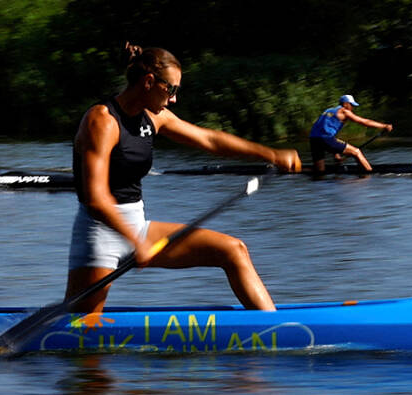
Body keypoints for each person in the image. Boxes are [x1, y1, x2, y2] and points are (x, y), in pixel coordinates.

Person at [65, 43, 301, 314]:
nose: (174, 99)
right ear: (149, 82)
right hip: (100, 233)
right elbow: (96, 199)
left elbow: (210, 140)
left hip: (137, 225)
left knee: (233, 250)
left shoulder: (154, 117)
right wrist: (136, 242)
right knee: (83, 326)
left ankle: (273, 327)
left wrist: (272, 154)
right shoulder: (102, 121)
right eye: (171, 89)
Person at [309, 94, 392, 173]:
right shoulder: (344, 111)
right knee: (356, 152)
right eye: (351, 105)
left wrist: (336, 154)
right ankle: (370, 174)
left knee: (320, 171)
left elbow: (324, 131)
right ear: (345, 104)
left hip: (313, 139)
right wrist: (384, 126)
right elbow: (364, 122)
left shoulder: (328, 111)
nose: (352, 108)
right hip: (325, 138)